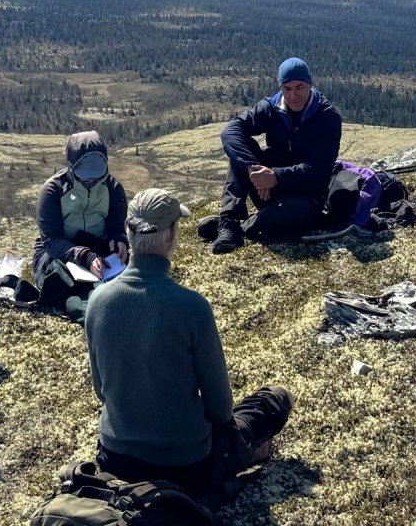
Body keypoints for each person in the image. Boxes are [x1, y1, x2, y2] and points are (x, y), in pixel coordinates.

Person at [86, 188, 294, 499]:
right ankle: (243, 455)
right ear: (171, 237)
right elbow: (221, 410)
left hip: (116, 460)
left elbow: (101, 391)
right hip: (187, 464)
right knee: (274, 400)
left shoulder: (97, 300)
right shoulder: (191, 307)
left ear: (129, 233)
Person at [202, 57, 342, 254]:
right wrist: (252, 168)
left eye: (300, 87)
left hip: (306, 196)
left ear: (310, 84)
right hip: (265, 189)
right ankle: (229, 219)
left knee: (295, 214)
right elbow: (231, 130)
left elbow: (318, 170)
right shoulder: (271, 107)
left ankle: (236, 229)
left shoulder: (328, 117)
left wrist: (275, 177)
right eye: (287, 88)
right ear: (280, 88)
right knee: (242, 150)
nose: (293, 95)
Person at [32, 131, 129, 310]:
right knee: (59, 278)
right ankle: (90, 308)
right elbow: (51, 241)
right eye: (84, 174)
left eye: (97, 174)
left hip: (97, 250)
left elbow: (117, 227)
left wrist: (120, 241)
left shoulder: (113, 188)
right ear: (70, 166)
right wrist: (85, 256)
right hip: (57, 253)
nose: (91, 180)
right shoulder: (53, 190)